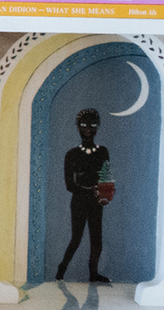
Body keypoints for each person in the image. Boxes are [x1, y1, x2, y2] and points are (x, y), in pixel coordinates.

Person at [55, 107, 112, 283]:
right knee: (76, 238)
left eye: (92, 125)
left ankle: (93, 274)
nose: (88, 129)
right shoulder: (71, 154)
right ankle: (61, 270)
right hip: (79, 201)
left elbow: (106, 177)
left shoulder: (102, 151)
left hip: (96, 201)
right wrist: (90, 190)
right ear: (78, 127)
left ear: (97, 127)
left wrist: (104, 194)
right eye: (84, 125)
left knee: (97, 240)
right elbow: (69, 184)